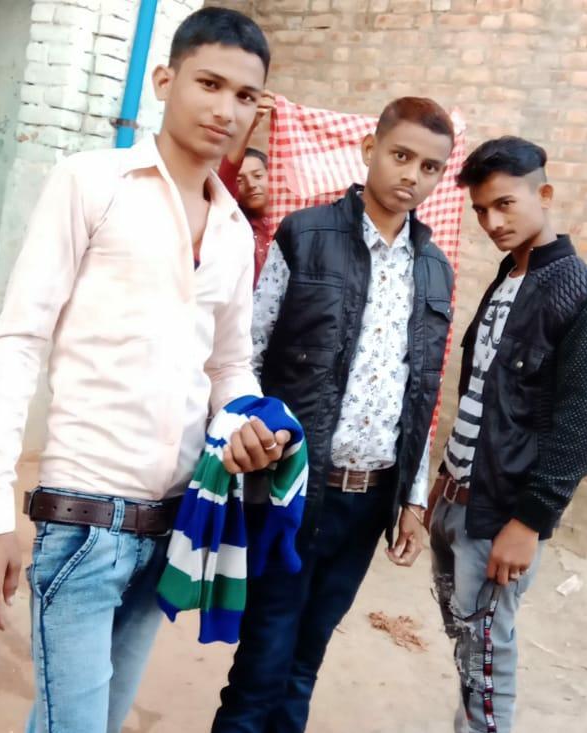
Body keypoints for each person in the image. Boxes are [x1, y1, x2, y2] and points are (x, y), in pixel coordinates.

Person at [0, 8, 289, 733]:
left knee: (92, 720)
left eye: (245, 95)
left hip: (176, 524)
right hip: (84, 522)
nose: (226, 109)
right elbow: (19, 341)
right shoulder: (91, 183)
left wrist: (250, 423)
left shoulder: (234, 229)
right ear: (164, 80)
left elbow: (229, 364)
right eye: (209, 83)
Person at [212, 96, 457, 733]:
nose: (412, 176)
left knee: (305, 662)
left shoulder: (434, 269)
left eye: (430, 167)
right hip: (294, 489)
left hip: (370, 499)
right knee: (264, 660)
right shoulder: (305, 235)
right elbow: (250, 351)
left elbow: (421, 391)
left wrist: (412, 497)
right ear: (369, 150)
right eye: (401, 155)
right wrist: (244, 442)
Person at [426, 136, 587, 733]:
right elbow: (481, 394)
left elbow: (579, 422)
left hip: (501, 517)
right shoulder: (508, 276)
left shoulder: (575, 289)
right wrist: (443, 482)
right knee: (470, 648)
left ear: (543, 194)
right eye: (481, 210)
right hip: (458, 501)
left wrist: (530, 521)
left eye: (505, 204)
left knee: (487, 662)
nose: (492, 222)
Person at [218, 91, 275, 286]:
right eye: (240, 180)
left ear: (272, 176)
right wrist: (251, 123)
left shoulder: (291, 222)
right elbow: (228, 169)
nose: (251, 185)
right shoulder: (235, 223)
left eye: (258, 176)